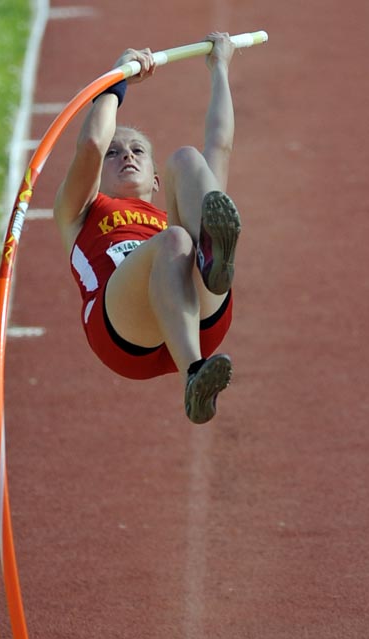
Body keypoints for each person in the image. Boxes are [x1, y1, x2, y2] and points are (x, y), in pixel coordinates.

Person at [54, 32, 242, 424]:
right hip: (124, 331)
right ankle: (194, 376)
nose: (126, 155)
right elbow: (90, 142)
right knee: (174, 240)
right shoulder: (81, 211)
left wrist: (220, 66)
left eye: (137, 150)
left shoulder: (171, 213)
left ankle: (212, 264)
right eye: (115, 152)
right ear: (97, 172)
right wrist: (117, 77)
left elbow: (219, 145)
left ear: (156, 181)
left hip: (196, 314)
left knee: (191, 160)